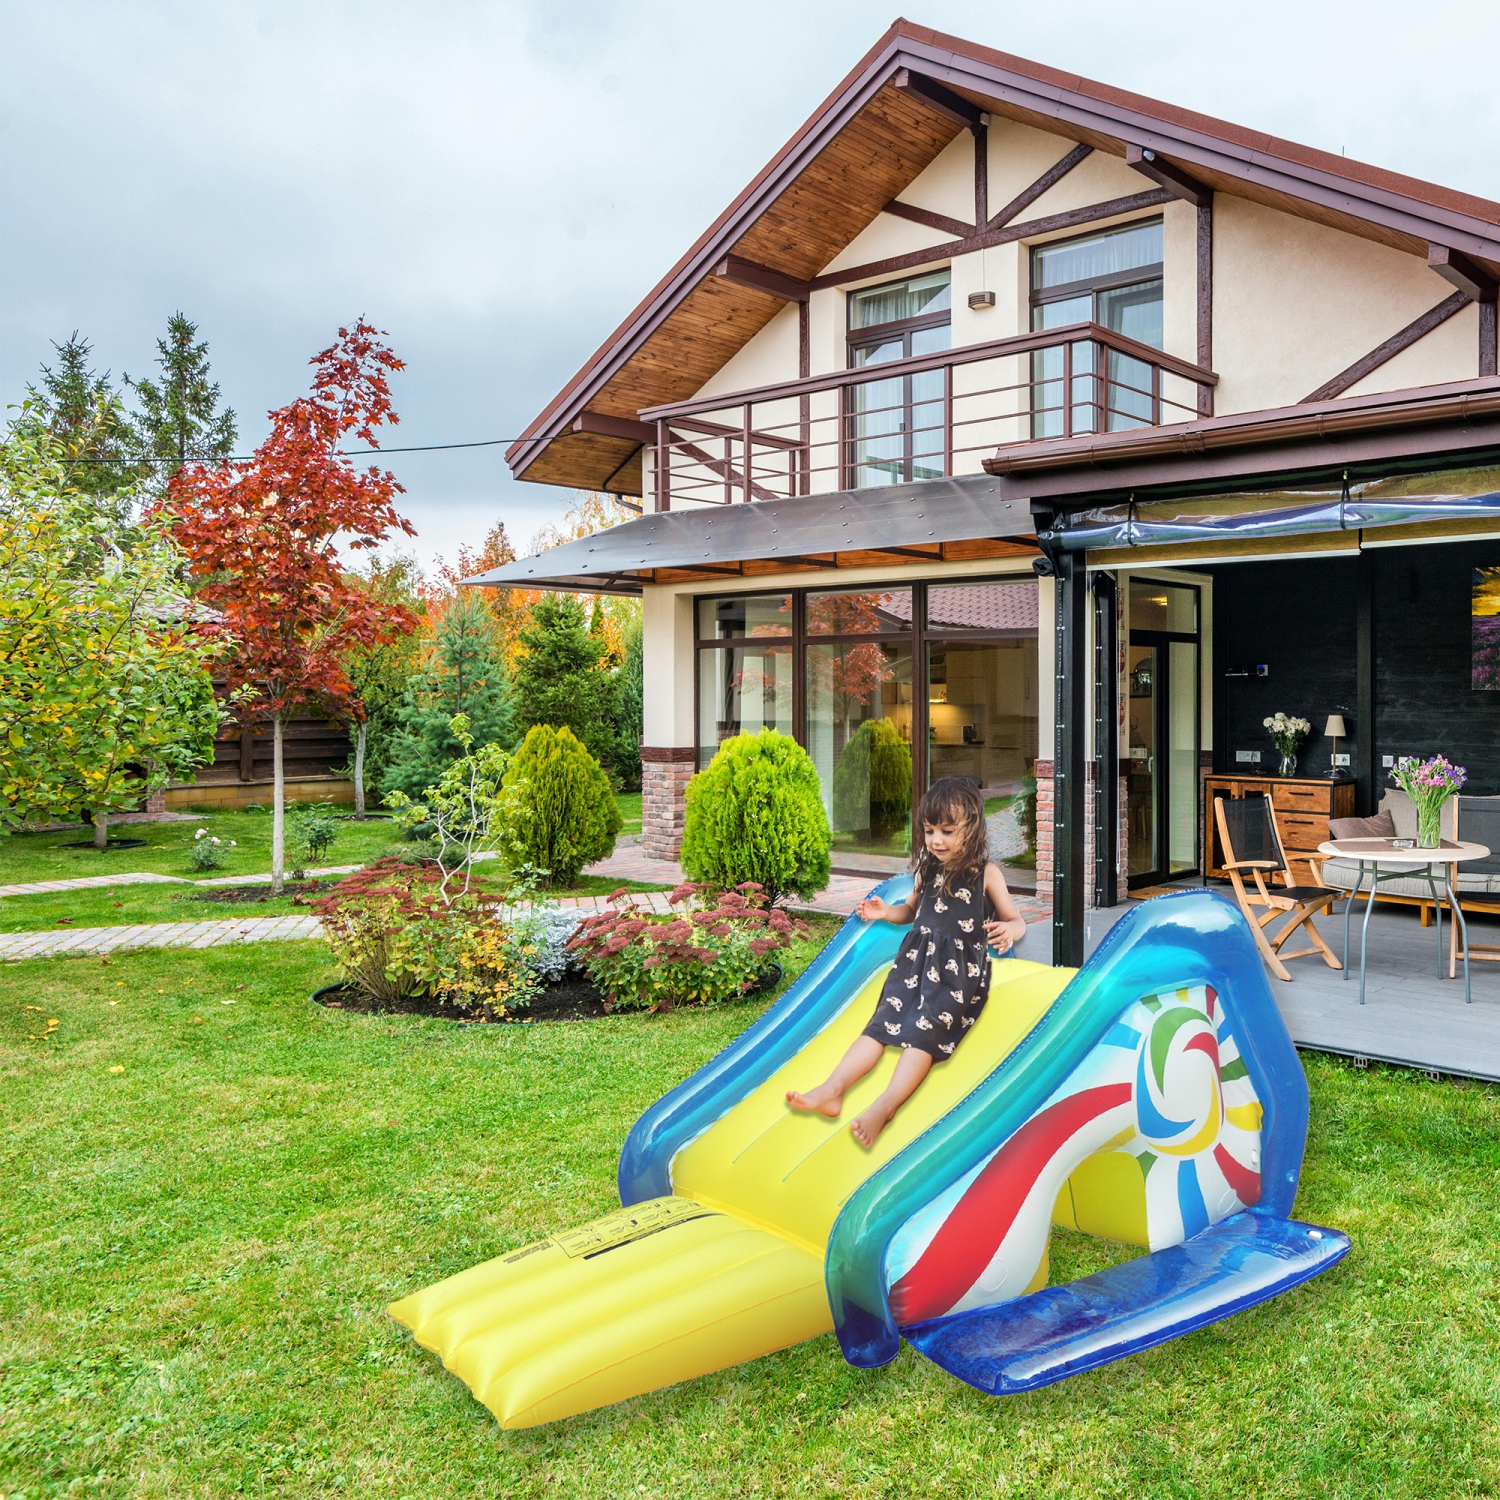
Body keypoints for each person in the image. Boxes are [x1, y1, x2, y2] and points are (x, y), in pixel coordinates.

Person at [786, 776, 1027, 1148]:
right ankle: (832, 1089)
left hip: (958, 976)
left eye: (947, 830)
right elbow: (910, 913)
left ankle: (886, 1105)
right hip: (914, 963)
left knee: (922, 1037)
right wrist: (886, 912)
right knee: (878, 1027)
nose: (936, 840)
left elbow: (1016, 919)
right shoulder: (927, 869)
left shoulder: (986, 874)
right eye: (930, 830)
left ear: (973, 827)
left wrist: (1009, 931)